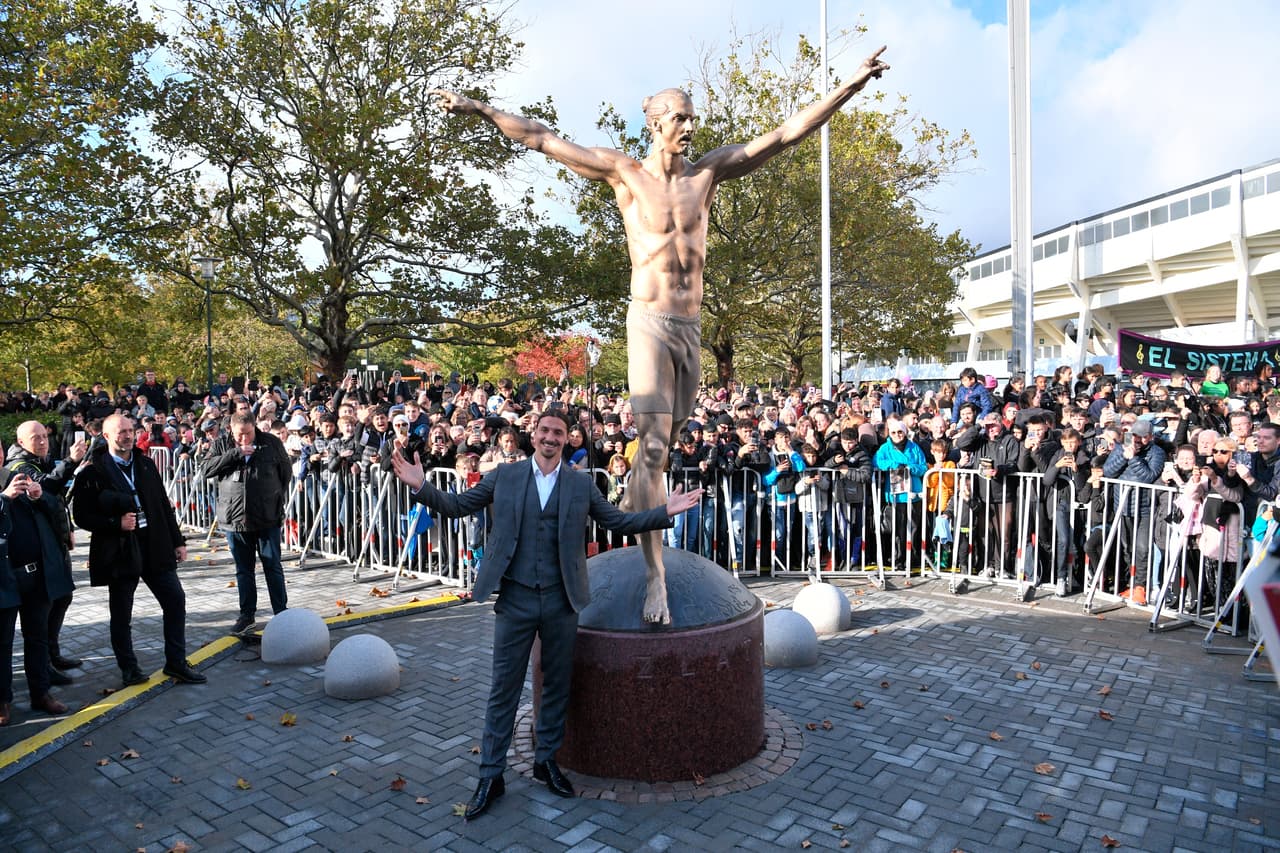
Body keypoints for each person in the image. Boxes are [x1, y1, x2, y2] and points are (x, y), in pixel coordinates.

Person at [431, 47, 889, 624]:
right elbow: (542, 138)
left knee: (667, 445)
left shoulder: (707, 173)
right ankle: (655, 578)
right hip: (647, 320)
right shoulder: (625, 174)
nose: (690, 127)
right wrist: (478, 107)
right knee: (650, 448)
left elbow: (783, 136)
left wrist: (850, 85)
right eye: (680, 118)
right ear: (655, 123)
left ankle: (635, 503)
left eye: (692, 118)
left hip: (689, 327)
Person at [389, 410, 701, 819]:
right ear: (533, 436)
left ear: (566, 438)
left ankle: (545, 760)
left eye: (558, 432)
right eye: (545, 431)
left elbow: (618, 521)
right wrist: (421, 486)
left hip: (561, 599)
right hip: (516, 599)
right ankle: (491, 774)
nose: (551, 437)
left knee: (556, 683)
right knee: (504, 688)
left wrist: (664, 511)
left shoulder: (580, 484)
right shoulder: (505, 476)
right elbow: (458, 505)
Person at [71, 414, 206, 686]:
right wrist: (115, 523)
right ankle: (129, 668)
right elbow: (81, 516)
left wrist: (178, 541)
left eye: (130, 430)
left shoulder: (145, 463)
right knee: (122, 613)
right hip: (120, 550)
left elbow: (163, 505)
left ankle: (176, 663)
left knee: (175, 600)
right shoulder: (93, 471)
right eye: (121, 431)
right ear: (106, 436)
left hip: (155, 545)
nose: (128, 435)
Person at [6, 420, 87, 682]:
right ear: (21, 442)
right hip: (37, 552)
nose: (42, 441)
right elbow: (47, 488)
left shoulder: (42, 460)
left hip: (54, 542)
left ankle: (52, 654)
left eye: (44, 436)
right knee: (46, 608)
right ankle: (45, 666)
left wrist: (68, 529)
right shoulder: (19, 467)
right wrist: (71, 461)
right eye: (36, 438)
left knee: (63, 597)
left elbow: (57, 501)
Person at [202, 413, 294, 634]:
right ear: (231, 430)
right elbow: (206, 470)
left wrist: (273, 497)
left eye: (248, 433)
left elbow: (285, 473)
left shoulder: (270, 442)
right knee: (244, 570)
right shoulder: (222, 444)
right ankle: (247, 614)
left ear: (255, 427)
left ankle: (281, 612)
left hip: (267, 517)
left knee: (273, 566)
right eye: (239, 435)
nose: (244, 439)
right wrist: (235, 454)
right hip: (235, 518)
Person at [1, 464, 74, 723]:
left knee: (38, 637)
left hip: (35, 575)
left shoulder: (18, 476)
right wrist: (3, 498)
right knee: (3, 643)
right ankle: (2, 701)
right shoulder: (8, 489)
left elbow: (54, 507)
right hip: (4, 579)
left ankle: (41, 693)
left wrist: (38, 496)